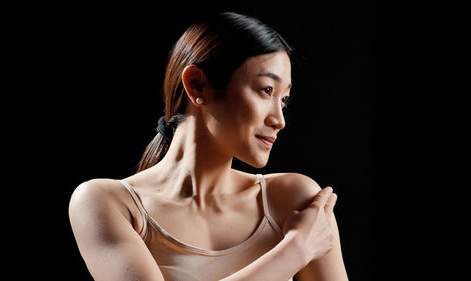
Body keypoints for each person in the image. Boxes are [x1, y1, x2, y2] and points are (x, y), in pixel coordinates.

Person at [69, 12, 348, 281]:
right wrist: (295, 251)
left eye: (283, 100)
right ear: (198, 85)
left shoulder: (294, 199)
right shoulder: (107, 203)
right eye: (266, 90)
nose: (279, 120)